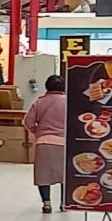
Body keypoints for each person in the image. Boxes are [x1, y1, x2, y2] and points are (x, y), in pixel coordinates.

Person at [24, 75, 67, 213]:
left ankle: (47, 204)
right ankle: (64, 203)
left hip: (44, 142)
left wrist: (38, 132)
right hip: (64, 143)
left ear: (47, 87)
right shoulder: (69, 102)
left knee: (43, 174)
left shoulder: (39, 102)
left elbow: (28, 121)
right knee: (65, 174)